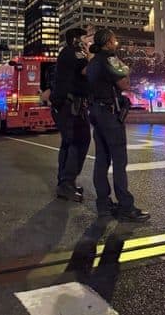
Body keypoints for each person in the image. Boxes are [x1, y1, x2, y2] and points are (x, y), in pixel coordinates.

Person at [87, 28, 150, 222]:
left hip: (95, 112)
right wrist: (125, 70)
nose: (116, 43)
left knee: (101, 159)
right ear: (107, 42)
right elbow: (124, 84)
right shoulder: (109, 58)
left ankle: (103, 204)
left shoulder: (92, 62)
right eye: (114, 40)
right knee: (119, 161)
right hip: (108, 113)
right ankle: (125, 206)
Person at [50, 27, 91, 202]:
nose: (86, 41)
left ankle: (65, 183)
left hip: (64, 105)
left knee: (68, 143)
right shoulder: (76, 53)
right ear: (76, 40)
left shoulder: (66, 53)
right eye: (84, 38)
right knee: (79, 141)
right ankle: (66, 183)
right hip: (71, 105)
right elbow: (86, 71)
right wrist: (91, 56)